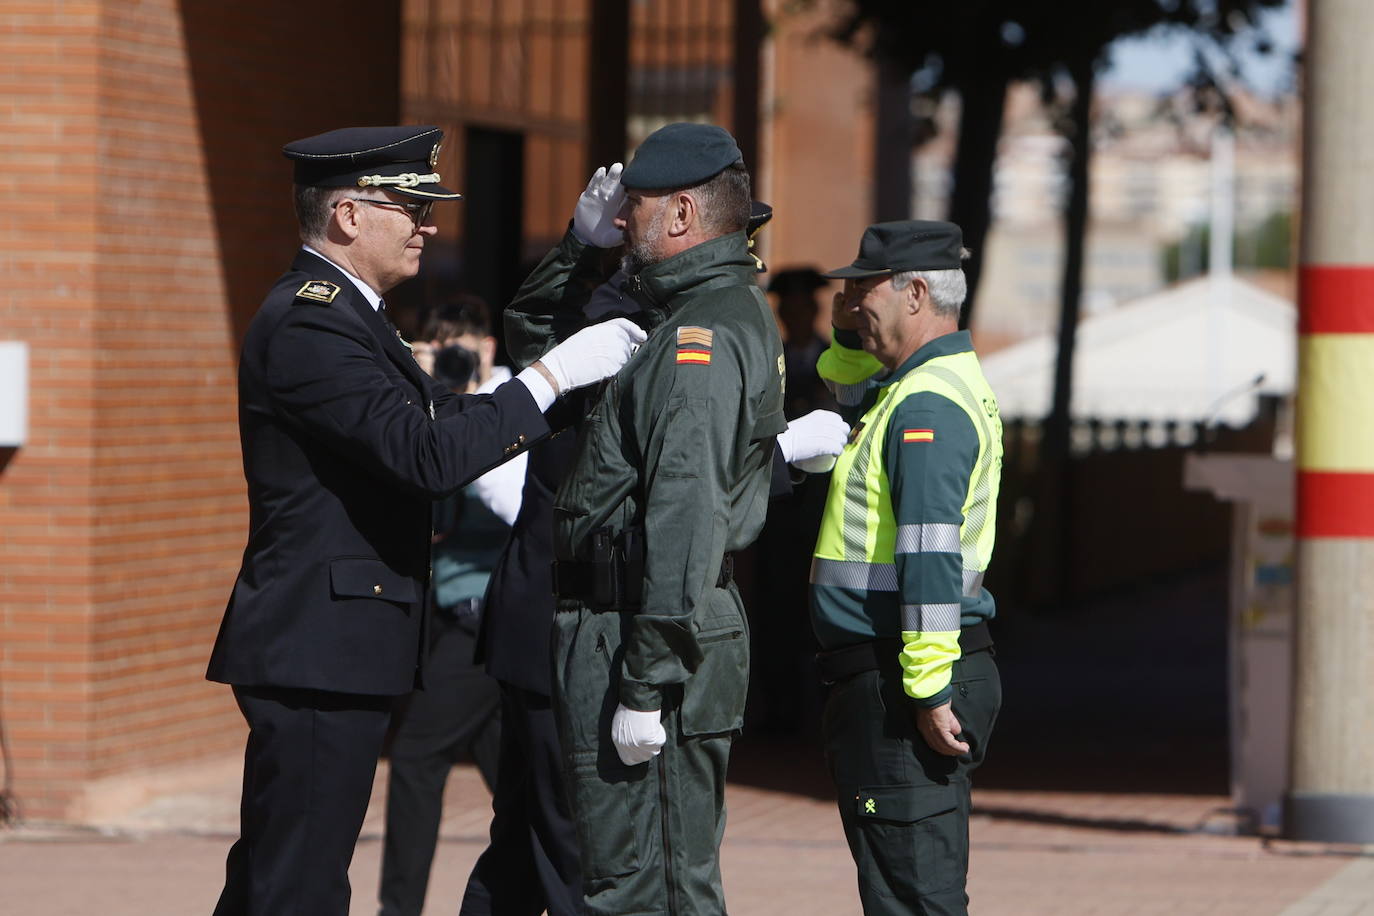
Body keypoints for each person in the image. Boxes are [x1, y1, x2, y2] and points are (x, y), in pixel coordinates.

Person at [206, 124, 645, 916]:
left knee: (278, 875)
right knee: (298, 884)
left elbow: (450, 417)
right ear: (347, 216)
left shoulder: (355, 314)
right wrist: (553, 374)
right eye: (410, 207)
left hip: (332, 645)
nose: (429, 226)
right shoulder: (312, 322)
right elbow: (427, 455)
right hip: (316, 648)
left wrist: (574, 292)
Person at [459, 195, 844, 916]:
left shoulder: (661, 318)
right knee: (580, 857)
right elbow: (646, 480)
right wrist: (778, 455)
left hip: (569, 616)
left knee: (527, 849)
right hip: (576, 618)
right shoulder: (631, 326)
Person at [502, 123, 786, 914]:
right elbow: (532, 339)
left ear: (684, 213)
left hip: (640, 630)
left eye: (637, 205)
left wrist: (647, 679)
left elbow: (686, 514)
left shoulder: (698, 334)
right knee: (634, 880)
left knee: (644, 888)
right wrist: (578, 249)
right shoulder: (679, 313)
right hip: (621, 625)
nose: (622, 219)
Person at [808, 221, 1003, 915]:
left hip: (904, 676)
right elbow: (844, 383)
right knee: (905, 890)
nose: (852, 299)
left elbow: (928, 551)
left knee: (913, 899)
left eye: (865, 287)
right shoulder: (919, 383)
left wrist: (927, 688)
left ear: (915, 293)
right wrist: (846, 327)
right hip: (899, 670)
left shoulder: (925, 403)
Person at [378, 297, 521, 916]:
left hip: (487, 615)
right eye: (443, 349)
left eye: (464, 347)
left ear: (489, 347)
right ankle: (564, 884)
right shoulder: (431, 403)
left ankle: (398, 908)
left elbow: (518, 505)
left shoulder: (518, 401)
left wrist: (466, 418)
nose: (458, 361)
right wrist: (418, 385)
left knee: (415, 756)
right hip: (446, 613)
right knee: (517, 782)